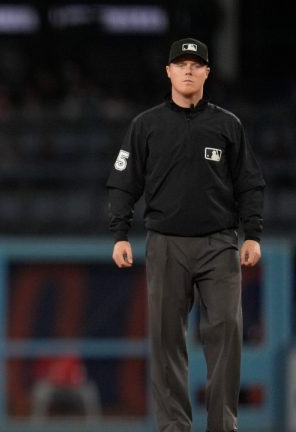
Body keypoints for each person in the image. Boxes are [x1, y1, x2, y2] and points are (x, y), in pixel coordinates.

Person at [106, 37, 265, 432]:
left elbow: (249, 183)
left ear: (207, 72)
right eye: (181, 64)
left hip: (219, 243)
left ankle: (222, 425)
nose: (189, 70)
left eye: (196, 64)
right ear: (169, 72)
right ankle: (174, 427)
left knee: (227, 333)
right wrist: (120, 233)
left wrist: (253, 234)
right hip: (165, 243)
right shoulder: (146, 125)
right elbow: (124, 183)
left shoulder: (227, 124)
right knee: (165, 342)